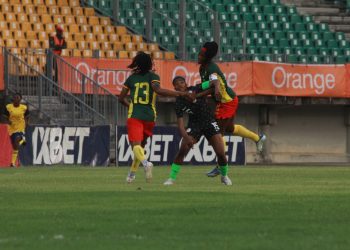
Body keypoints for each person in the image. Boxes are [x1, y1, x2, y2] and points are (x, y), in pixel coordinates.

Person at [119, 52, 193, 183]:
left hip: (135, 115)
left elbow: (121, 98)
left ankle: (146, 164)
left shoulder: (131, 79)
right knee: (141, 146)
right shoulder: (153, 76)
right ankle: (132, 174)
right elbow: (158, 90)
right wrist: (180, 94)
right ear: (148, 64)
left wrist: (130, 105)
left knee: (135, 146)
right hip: (150, 117)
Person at [197, 41, 266, 177]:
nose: (198, 56)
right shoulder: (203, 68)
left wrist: (211, 89)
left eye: (201, 55)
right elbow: (209, 86)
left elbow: (215, 82)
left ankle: (220, 165)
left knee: (218, 133)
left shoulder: (211, 68)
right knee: (229, 129)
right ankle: (258, 138)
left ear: (207, 57)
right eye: (199, 54)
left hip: (227, 102)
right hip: (226, 100)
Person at [163, 76, 232, 186]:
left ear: (186, 84)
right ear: (175, 88)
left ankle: (224, 176)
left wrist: (217, 89)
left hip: (209, 122)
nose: (180, 84)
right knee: (183, 149)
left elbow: (215, 81)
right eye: (177, 84)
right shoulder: (178, 103)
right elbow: (180, 125)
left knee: (221, 153)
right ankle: (171, 178)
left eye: (182, 82)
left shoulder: (196, 88)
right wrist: (186, 138)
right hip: (195, 125)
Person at [3, 93, 29, 167]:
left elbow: (27, 117)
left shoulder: (24, 107)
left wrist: (26, 124)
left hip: (21, 127)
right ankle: (23, 141)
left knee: (17, 139)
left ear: (20, 99)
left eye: (17, 98)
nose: (16, 99)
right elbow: (5, 116)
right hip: (11, 128)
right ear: (13, 99)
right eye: (14, 97)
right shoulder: (8, 107)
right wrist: (8, 121)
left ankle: (12, 163)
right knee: (15, 146)